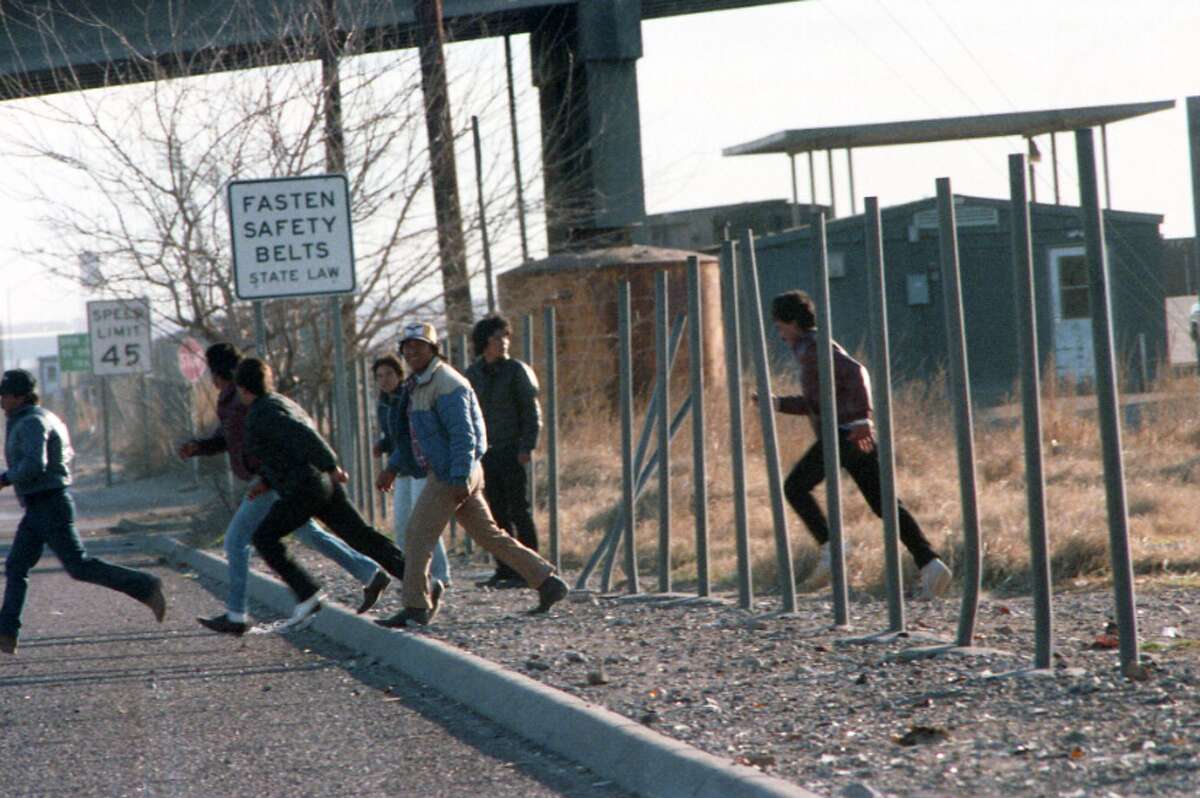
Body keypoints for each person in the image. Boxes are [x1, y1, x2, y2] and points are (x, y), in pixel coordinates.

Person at [180, 344, 391, 636]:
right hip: (275, 480)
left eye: (212, 373)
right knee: (309, 533)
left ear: (221, 374)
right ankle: (369, 572)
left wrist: (264, 479)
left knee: (237, 540)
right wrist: (201, 447)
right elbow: (229, 439)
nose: (211, 380)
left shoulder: (244, 402)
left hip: (268, 481)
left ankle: (238, 614)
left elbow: (273, 443)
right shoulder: (232, 400)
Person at [375, 322, 568, 628]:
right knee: (489, 535)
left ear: (433, 349)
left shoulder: (446, 383)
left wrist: (459, 477)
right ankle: (547, 582)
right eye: (407, 347)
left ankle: (415, 607)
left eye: (418, 346)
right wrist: (392, 467)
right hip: (456, 472)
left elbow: (465, 435)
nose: (411, 352)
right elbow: (411, 436)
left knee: (416, 535)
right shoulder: (420, 383)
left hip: (452, 473)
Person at [764, 290, 953, 599]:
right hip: (852, 434)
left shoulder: (812, 346)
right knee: (885, 504)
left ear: (793, 322)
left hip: (845, 434)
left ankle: (832, 548)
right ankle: (930, 564)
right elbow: (816, 403)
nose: (778, 333)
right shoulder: (808, 348)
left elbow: (856, 371)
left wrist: (863, 418)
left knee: (795, 487)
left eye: (779, 325)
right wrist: (777, 403)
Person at [235, 357, 425, 627]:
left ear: (244, 389)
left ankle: (307, 594)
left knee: (264, 537)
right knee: (361, 536)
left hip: (304, 487)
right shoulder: (281, 402)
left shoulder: (260, 413)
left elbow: (303, 436)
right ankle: (419, 581)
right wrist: (267, 480)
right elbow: (283, 450)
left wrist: (331, 464)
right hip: (321, 482)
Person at [0, 369, 166, 655]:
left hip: (48, 504)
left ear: (19, 396)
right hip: (42, 504)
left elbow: (34, 465)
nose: (1, 400)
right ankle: (6, 632)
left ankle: (145, 585)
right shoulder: (41, 417)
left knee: (79, 566)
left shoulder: (31, 422)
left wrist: (4, 478)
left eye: (4, 395)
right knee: (17, 566)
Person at [465, 315, 542, 589]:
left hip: (512, 450)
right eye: (498, 337)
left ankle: (532, 568)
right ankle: (506, 568)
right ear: (484, 342)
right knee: (495, 514)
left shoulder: (517, 371)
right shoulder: (472, 374)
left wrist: (526, 446)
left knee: (519, 509)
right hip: (485, 454)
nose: (504, 342)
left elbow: (531, 413)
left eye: (506, 337)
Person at [372, 354, 451, 586]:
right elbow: (394, 436)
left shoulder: (408, 397)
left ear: (399, 375)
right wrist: (383, 444)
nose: (384, 380)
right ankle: (414, 574)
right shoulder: (383, 403)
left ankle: (440, 575)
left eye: (388, 374)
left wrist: (390, 465)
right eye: (379, 376)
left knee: (424, 521)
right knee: (403, 524)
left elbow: (409, 436)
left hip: (419, 466)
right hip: (402, 469)